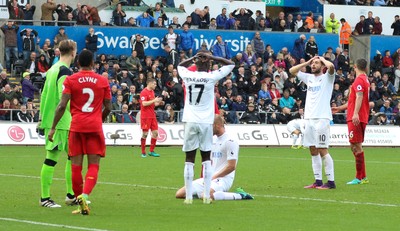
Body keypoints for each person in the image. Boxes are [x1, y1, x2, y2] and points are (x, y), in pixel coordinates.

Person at [48, 49, 112, 215]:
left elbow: (62, 105)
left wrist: (53, 127)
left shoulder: (71, 79)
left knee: (75, 167)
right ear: (93, 63)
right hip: (94, 127)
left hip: (76, 127)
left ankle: (79, 200)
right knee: (93, 165)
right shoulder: (102, 80)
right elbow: (109, 107)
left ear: (77, 63)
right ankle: (84, 195)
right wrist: (100, 117)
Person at [177, 51, 234, 204]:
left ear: (195, 64)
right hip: (205, 122)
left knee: (189, 160)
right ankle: (206, 197)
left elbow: (179, 65)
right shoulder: (211, 77)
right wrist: (213, 57)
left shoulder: (187, 75)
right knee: (206, 159)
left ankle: (188, 197)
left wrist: (192, 58)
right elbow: (231, 64)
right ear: (208, 63)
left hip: (190, 120)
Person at [175, 115, 253, 201]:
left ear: (218, 125)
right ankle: (209, 194)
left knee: (206, 195)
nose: (207, 129)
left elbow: (231, 167)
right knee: (180, 194)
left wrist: (213, 177)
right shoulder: (212, 140)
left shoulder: (230, 141)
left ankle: (240, 195)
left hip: (223, 179)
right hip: (210, 178)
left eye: (210, 126)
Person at [38, 40, 77, 208]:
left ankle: (71, 195)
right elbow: (64, 98)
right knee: (52, 159)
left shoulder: (52, 69)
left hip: (54, 119)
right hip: (60, 121)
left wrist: (41, 118)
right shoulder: (64, 71)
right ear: (73, 52)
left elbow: (44, 95)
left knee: (73, 156)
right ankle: (44, 198)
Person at [289, 56, 336, 190]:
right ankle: (318, 181)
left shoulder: (328, 77)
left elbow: (331, 67)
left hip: (322, 118)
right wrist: (307, 62)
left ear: (322, 66)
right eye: (313, 63)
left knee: (322, 149)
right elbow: (292, 70)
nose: (314, 65)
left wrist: (322, 59)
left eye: (317, 63)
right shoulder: (309, 78)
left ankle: (331, 182)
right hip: (309, 119)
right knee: (312, 149)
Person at [332, 59, 370, 185]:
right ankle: (363, 176)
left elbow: (359, 97)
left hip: (356, 117)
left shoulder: (359, 80)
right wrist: (339, 108)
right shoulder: (365, 79)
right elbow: (352, 101)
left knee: (356, 145)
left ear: (355, 67)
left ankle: (359, 178)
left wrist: (355, 113)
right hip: (358, 116)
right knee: (354, 145)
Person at [139, 78, 163, 157]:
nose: (155, 85)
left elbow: (153, 104)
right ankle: (143, 152)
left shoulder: (152, 92)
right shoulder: (143, 92)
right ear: (149, 83)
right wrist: (154, 100)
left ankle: (151, 151)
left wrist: (159, 102)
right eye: (154, 84)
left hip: (152, 115)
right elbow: (144, 104)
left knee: (155, 133)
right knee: (145, 134)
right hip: (145, 116)